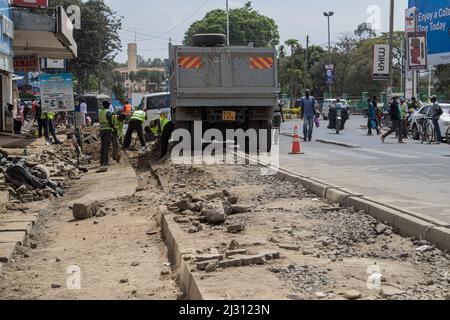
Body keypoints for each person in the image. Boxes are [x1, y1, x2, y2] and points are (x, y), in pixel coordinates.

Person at [99, 100, 115, 166]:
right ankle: (106, 161)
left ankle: (101, 161)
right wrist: (114, 127)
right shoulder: (107, 112)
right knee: (106, 146)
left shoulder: (100, 112)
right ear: (108, 105)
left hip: (101, 130)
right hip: (107, 130)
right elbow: (110, 122)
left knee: (102, 146)